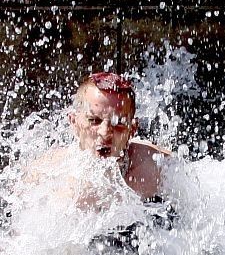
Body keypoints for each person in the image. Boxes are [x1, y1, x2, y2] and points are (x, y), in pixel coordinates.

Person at [65, 72, 168, 200]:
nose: (105, 133)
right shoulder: (50, 178)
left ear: (132, 130)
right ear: (74, 122)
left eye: (119, 123)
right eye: (94, 120)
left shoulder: (156, 167)